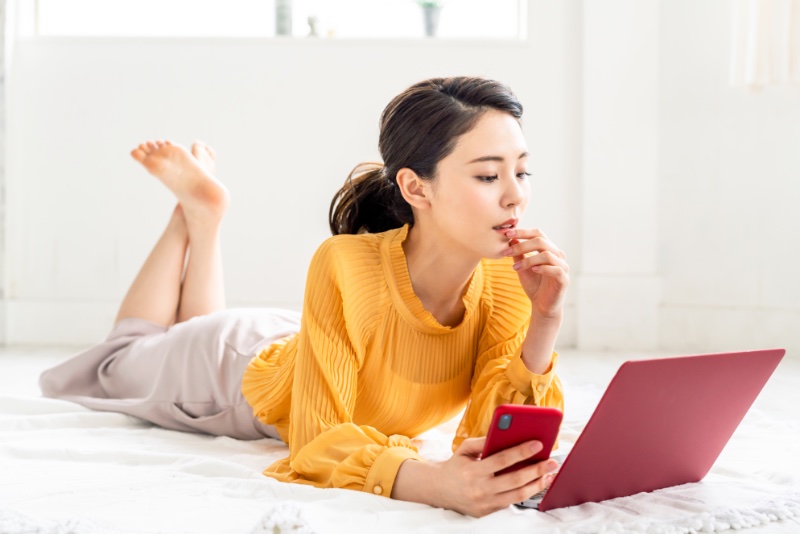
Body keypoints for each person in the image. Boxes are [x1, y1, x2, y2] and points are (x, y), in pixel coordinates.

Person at [39, 76, 569, 518]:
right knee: (125, 352)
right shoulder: (344, 263)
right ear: (416, 188)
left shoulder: (507, 279)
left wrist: (545, 319)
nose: (515, 194)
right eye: (487, 174)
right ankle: (191, 217)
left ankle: (201, 215)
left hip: (294, 342)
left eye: (521, 171)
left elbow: (488, 435)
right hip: (231, 375)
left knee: (187, 325)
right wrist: (430, 482)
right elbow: (317, 442)